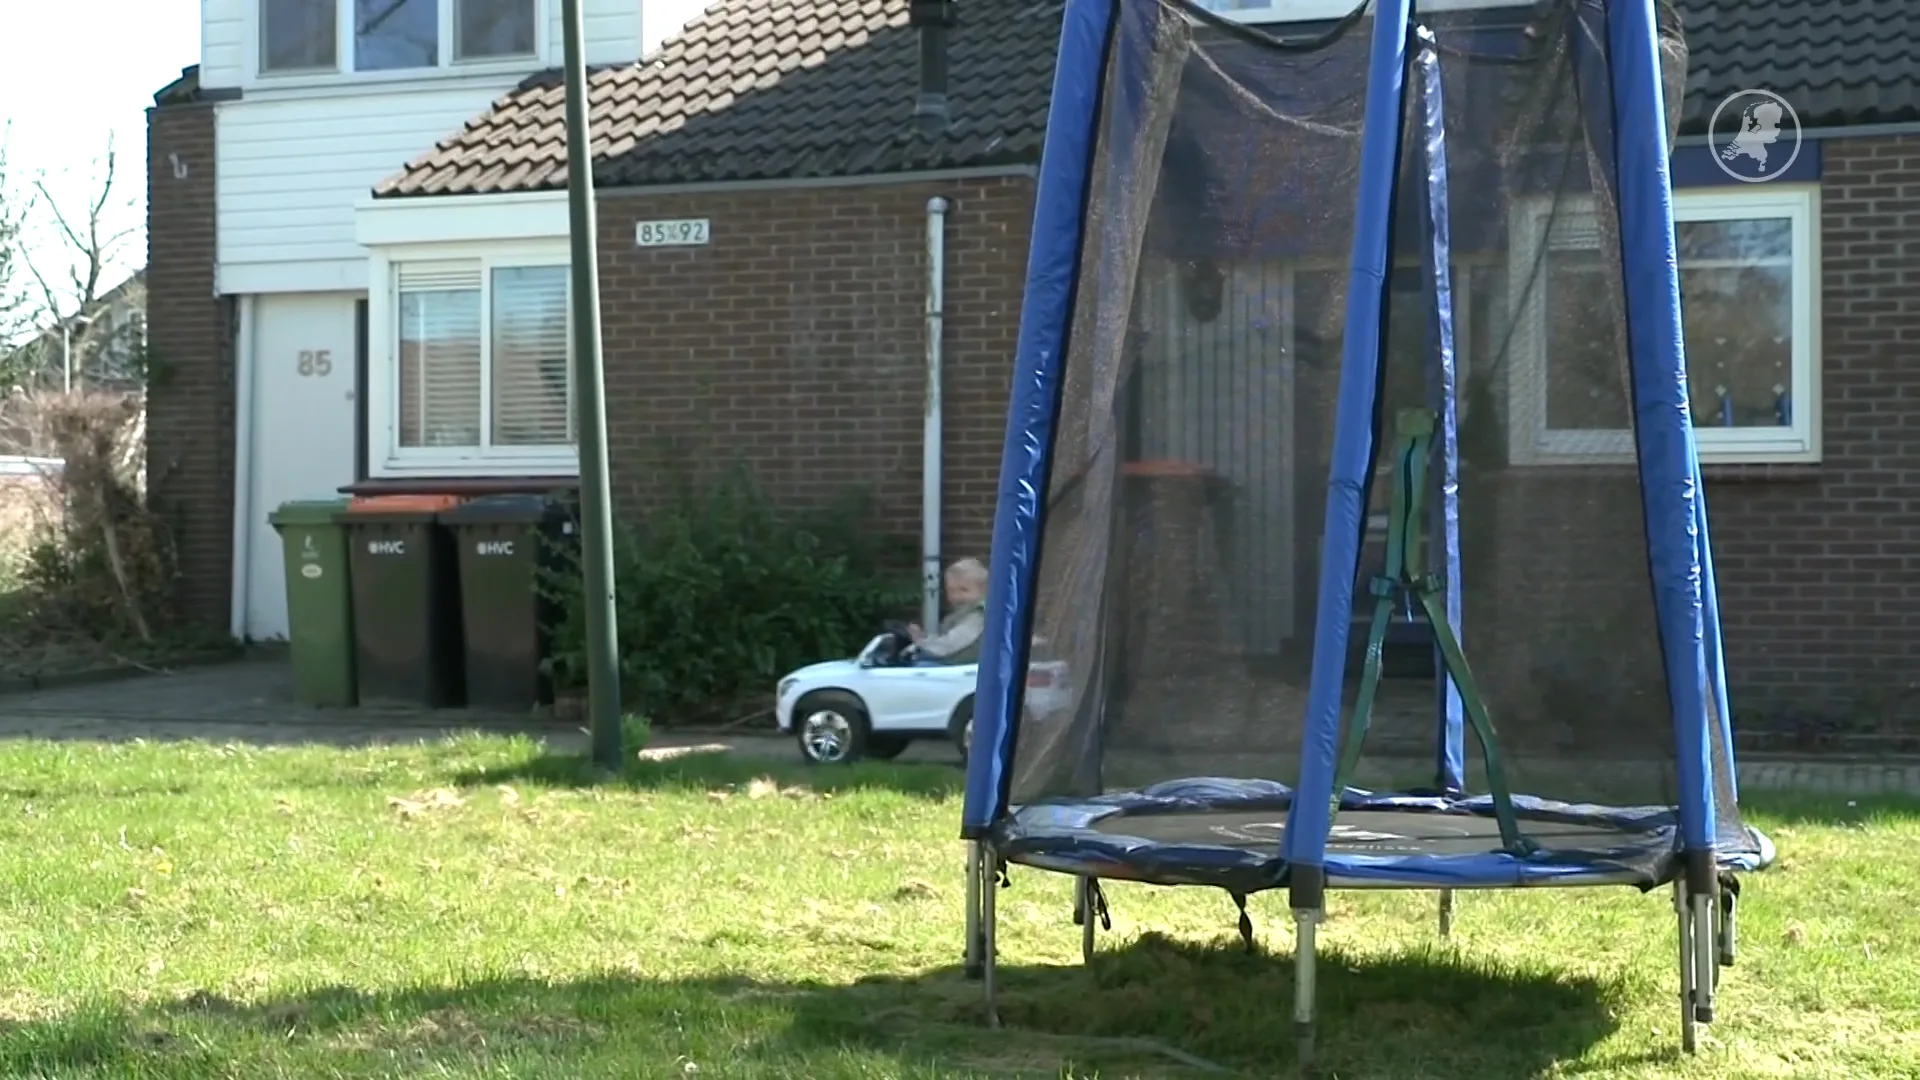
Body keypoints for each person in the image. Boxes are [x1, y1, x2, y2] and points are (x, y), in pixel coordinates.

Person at [909, 557, 989, 663]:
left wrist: (922, 644)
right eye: (951, 590)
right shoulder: (961, 614)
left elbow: (950, 644)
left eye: (963, 590)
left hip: (968, 669)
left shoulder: (979, 615)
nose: (956, 596)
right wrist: (923, 637)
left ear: (984, 590)